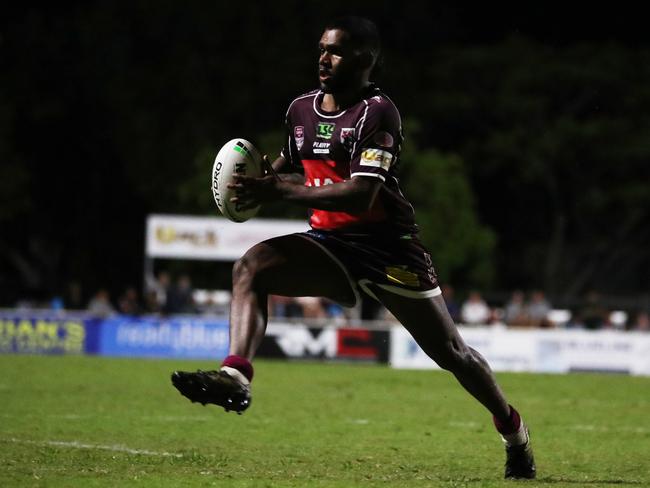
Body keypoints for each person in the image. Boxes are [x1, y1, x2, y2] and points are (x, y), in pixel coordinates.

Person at [171, 16, 535, 479]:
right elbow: (292, 169)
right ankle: (235, 377)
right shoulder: (300, 109)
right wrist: (260, 182)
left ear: (365, 60)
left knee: (452, 354)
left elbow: (361, 193)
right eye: (321, 48)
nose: (323, 58)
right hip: (330, 244)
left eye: (336, 51)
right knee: (251, 267)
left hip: (388, 250)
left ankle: (513, 432)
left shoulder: (377, 112)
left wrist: (277, 192)